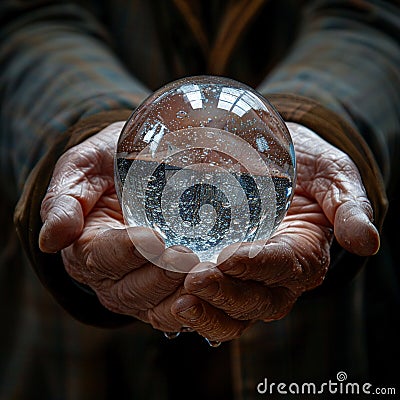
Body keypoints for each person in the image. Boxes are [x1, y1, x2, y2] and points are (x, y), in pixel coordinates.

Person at [0, 0, 399, 399]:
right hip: (85, 356)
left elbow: (375, 19)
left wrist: (323, 123)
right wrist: (85, 125)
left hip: (321, 345)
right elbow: (25, 22)